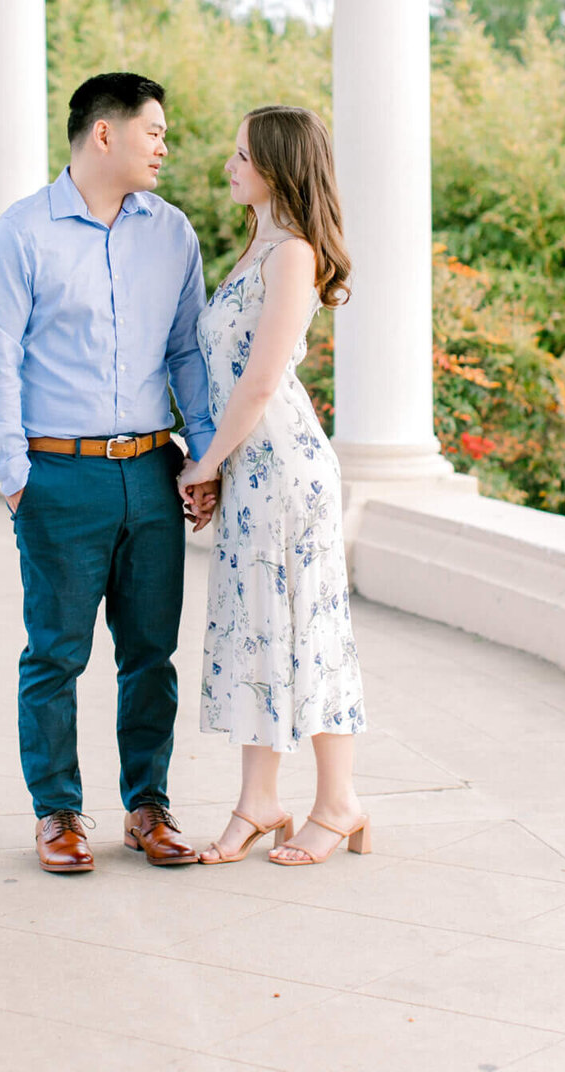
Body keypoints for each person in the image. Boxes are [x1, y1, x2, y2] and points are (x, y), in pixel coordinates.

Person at [0, 72, 219, 875]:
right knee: (56, 654)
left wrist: (204, 456)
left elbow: (187, 351)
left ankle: (148, 807)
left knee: (150, 654)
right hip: (59, 477)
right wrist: (13, 474)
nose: (164, 146)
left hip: (151, 470)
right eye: (154, 131)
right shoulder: (23, 233)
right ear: (104, 134)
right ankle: (58, 813)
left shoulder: (173, 233)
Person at [179, 105, 368, 866]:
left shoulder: (292, 253)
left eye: (241, 156)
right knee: (259, 628)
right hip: (253, 469)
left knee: (306, 627)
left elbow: (259, 383)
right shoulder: (256, 244)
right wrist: (222, 463)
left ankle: (340, 803)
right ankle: (259, 802)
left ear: (278, 166)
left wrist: (204, 463)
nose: (228, 166)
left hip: (285, 469)